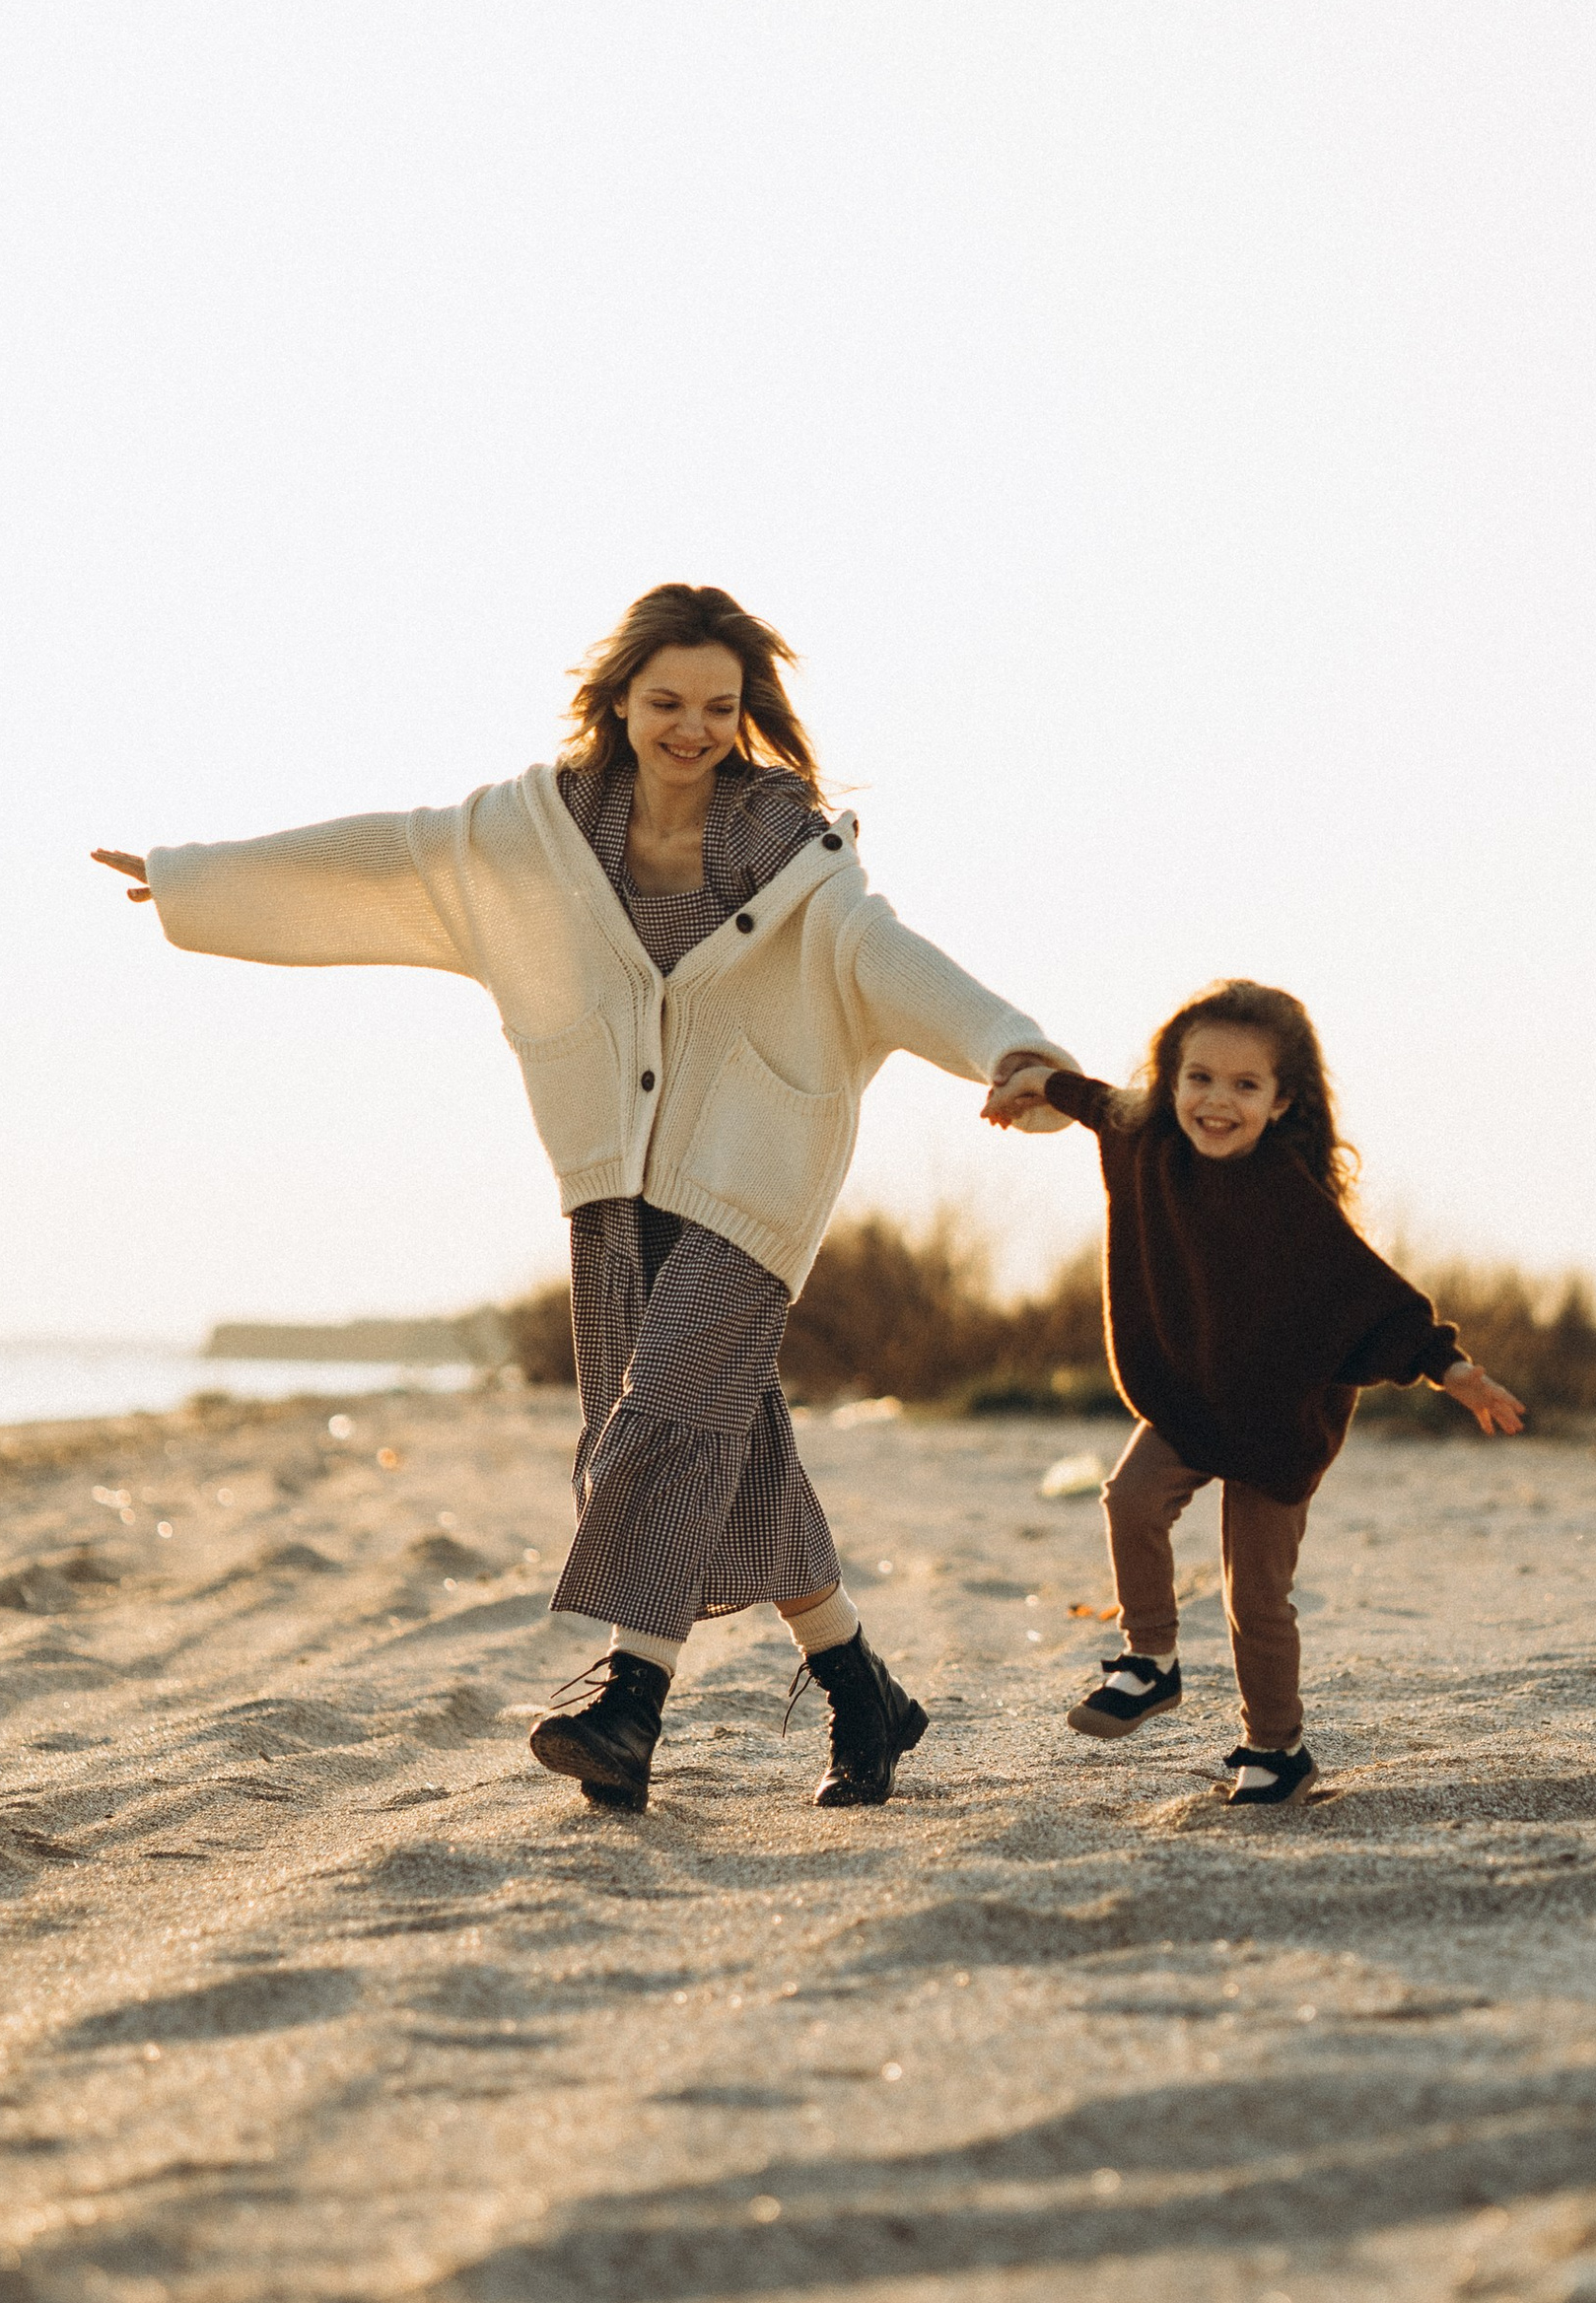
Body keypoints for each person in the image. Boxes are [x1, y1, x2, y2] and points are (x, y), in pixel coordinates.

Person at [95, 582, 1070, 1811]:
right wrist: (200, 880)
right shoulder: (538, 833)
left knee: (657, 1409)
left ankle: (628, 1706)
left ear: (744, 710)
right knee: (736, 1443)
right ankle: (862, 1694)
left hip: (754, 1184)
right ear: (619, 701)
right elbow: (391, 861)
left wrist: (1008, 1045)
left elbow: (888, 961)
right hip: (613, 1183)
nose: (692, 727)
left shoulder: (794, 850)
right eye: (667, 701)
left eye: (719, 706)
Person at [983, 980, 1523, 1803]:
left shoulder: (1286, 1198)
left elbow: (1366, 1295)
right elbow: (1099, 1102)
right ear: (1172, 1082)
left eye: (1245, 1086)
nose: (1216, 1102)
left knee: (1255, 1598)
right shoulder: (1150, 1143)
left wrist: (1453, 1370)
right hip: (1192, 1392)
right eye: (1199, 1078)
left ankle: (1277, 1750)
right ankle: (1150, 1662)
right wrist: (1033, 1081)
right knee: (1129, 1498)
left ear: (1281, 1101)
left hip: (1281, 1415)